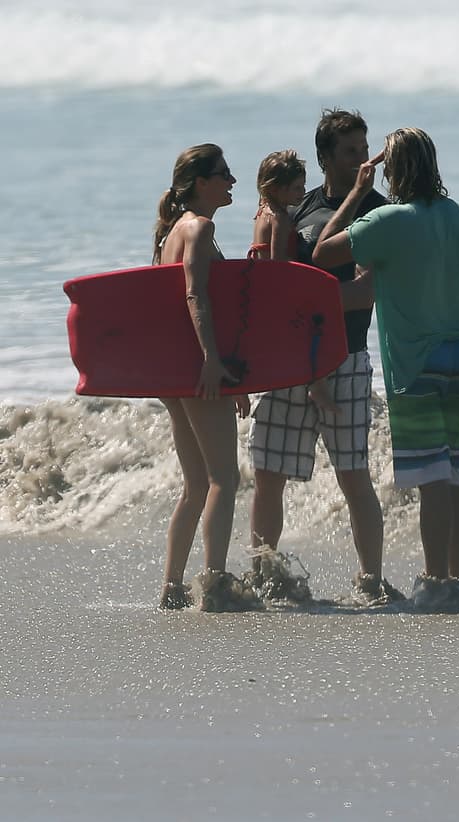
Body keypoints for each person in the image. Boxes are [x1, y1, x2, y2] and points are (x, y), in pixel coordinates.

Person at [312, 126, 459, 602]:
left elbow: (322, 252)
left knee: (431, 476)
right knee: (455, 473)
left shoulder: (389, 221)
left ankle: (437, 583)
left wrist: (357, 192)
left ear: (392, 171)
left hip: (414, 363)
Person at [246, 110, 398, 605]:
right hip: (289, 361)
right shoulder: (301, 208)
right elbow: (273, 282)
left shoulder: (378, 212)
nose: (363, 157)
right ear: (326, 157)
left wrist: (308, 301)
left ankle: (370, 580)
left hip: (345, 356)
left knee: (354, 474)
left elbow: (371, 291)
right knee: (268, 474)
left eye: (364, 146)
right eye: (352, 150)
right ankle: (264, 575)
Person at [152, 144, 261, 612]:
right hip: (199, 368)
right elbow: (196, 297)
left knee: (197, 484)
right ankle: (214, 585)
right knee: (224, 480)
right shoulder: (199, 227)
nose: (232, 181)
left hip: (176, 372)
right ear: (201, 182)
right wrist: (213, 361)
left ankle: (172, 587)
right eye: (224, 174)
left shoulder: (170, 232)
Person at [247, 149, 336, 416]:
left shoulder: (261, 211)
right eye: (296, 188)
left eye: (303, 186)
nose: (302, 193)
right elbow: (278, 265)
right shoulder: (280, 218)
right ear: (275, 188)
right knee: (313, 330)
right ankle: (317, 385)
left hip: (259, 288)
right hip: (277, 289)